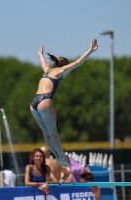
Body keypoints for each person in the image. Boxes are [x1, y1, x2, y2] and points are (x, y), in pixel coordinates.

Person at [30, 38, 98, 167]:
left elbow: (44, 64)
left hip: (33, 103)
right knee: (53, 132)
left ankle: (57, 156)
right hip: (44, 100)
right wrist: (90, 50)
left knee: (46, 133)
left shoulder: (48, 71)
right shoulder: (61, 71)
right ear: (64, 67)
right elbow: (78, 62)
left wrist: (40, 55)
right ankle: (61, 157)